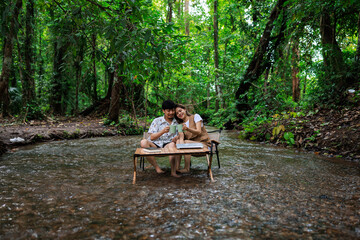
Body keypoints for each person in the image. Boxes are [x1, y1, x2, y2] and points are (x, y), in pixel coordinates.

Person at [140, 100, 181, 177]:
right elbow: (151, 137)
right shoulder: (157, 121)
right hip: (156, 144)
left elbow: (181, 134)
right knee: (143, 142)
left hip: (168, 144)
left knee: (172, 145)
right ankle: (157, 168)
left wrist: (177, 137)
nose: (171, 113)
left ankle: (173, 172)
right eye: (168, 111)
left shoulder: (177, 121)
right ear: (163, 111)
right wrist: (162, 132)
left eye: (172, 110)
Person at [175, 103, 211, 173]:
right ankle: (177, 167)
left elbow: (199, 131)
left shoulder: (195, 116)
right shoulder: (180, 125)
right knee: (178, 141)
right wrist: (178, 137)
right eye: (177, 113)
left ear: (185, 109)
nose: (179, 113)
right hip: (191, 147)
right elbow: (182, 139)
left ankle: (187, 168)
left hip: (204, 145)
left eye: (180, 110)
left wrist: (187, 129)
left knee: (185, 143)